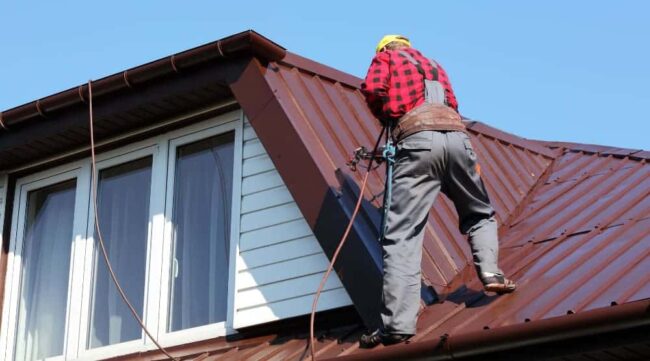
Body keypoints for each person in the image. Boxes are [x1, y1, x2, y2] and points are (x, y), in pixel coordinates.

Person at [359, 35, 516, 348]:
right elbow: (452, 105)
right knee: (480, 211)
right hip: (458, 140)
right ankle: (492, 273)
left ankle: (398, 325)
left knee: (401, 234)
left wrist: (386, 115)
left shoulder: (387, 59)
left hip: (417, 141)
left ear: (385, 48)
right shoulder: (434, 65)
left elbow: (374, 88)